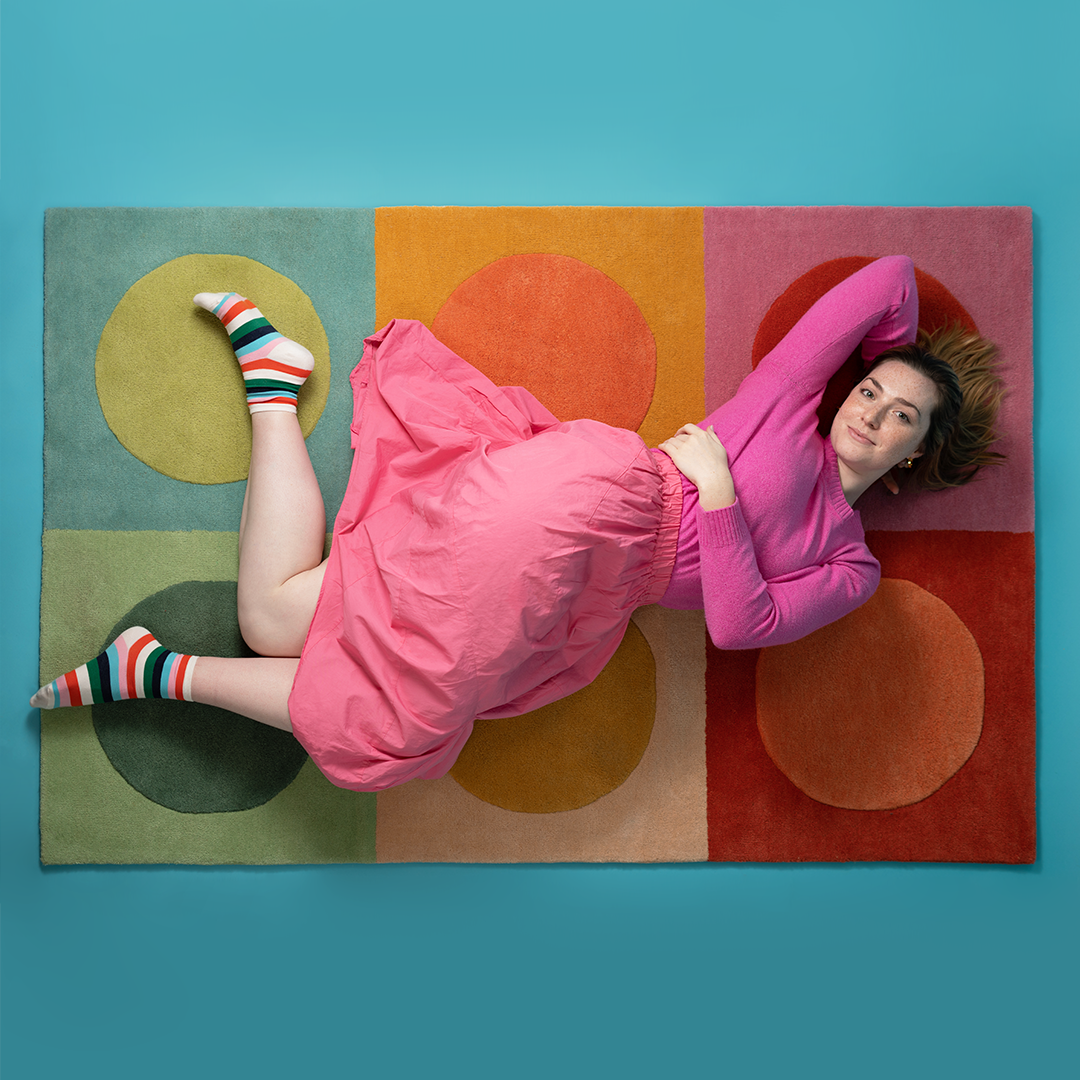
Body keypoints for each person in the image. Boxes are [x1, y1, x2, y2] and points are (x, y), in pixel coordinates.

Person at [32, 256, 1004, 791]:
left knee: (294, 633)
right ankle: (161, 671)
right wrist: (912, 360)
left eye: (900, 416)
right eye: (872, 388)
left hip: (593, 604)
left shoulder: (848, 562)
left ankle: (269, 395)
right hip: (596, 497)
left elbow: (739, 625)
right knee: (384, 707)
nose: (871, 412)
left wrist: (716, 490)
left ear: (915, 453)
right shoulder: (790, 404)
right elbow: (888, 280)